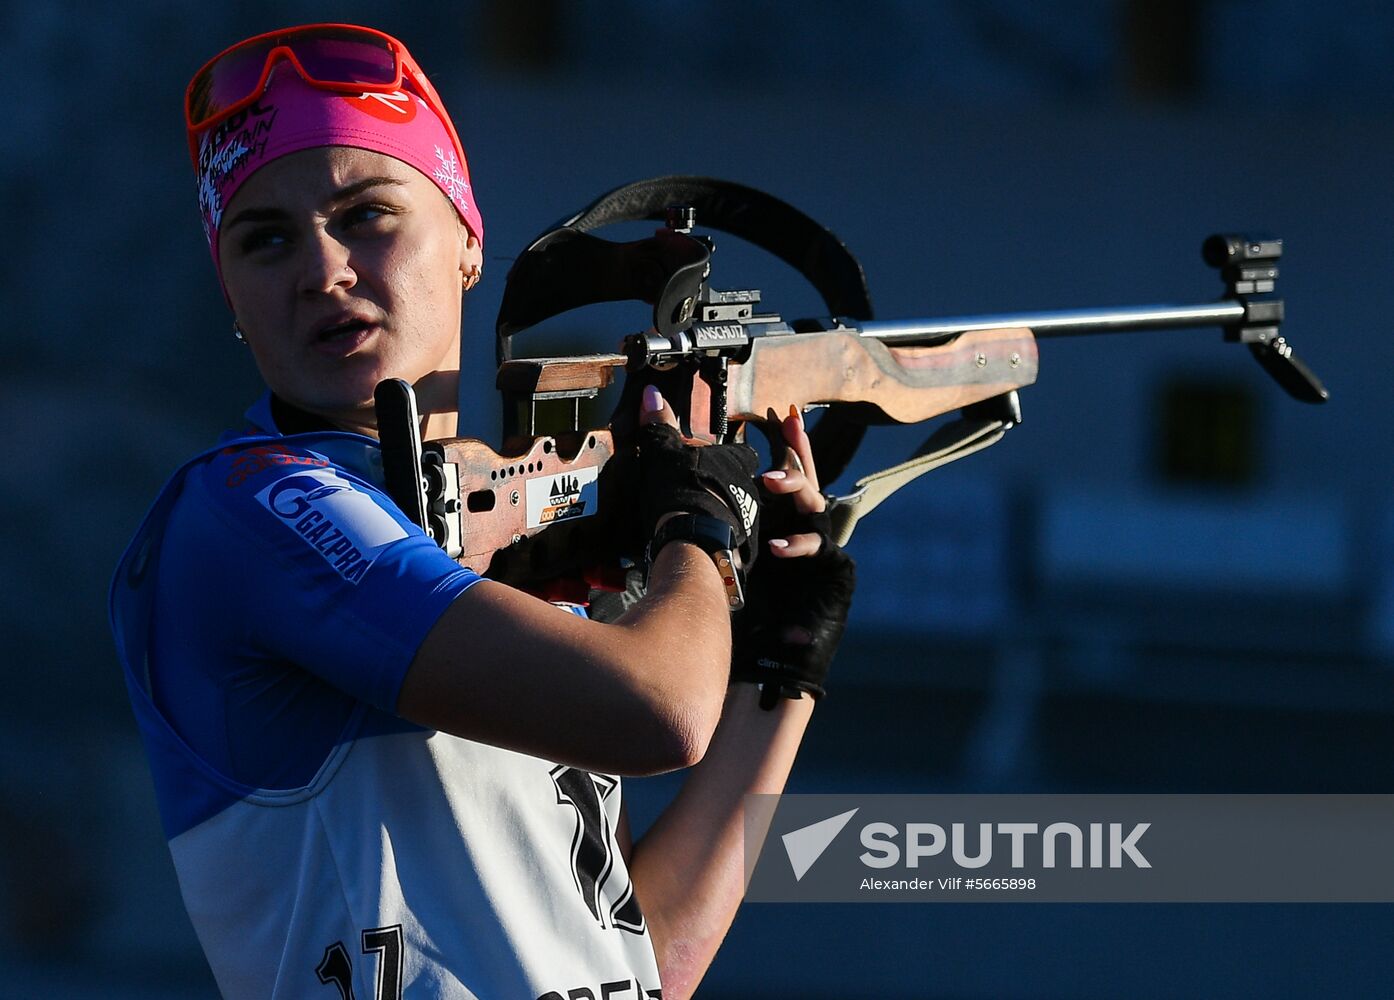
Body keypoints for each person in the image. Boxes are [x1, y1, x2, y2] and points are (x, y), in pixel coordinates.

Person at [109, 23, 854, 1000]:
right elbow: (661, 711)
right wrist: (699, 526)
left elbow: (637, 960)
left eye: (367, 214)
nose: (322, 269)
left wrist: (779, 662)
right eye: (266, 239)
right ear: (232, 296)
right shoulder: (254, 508)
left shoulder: (515, 542)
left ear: (467, 238)